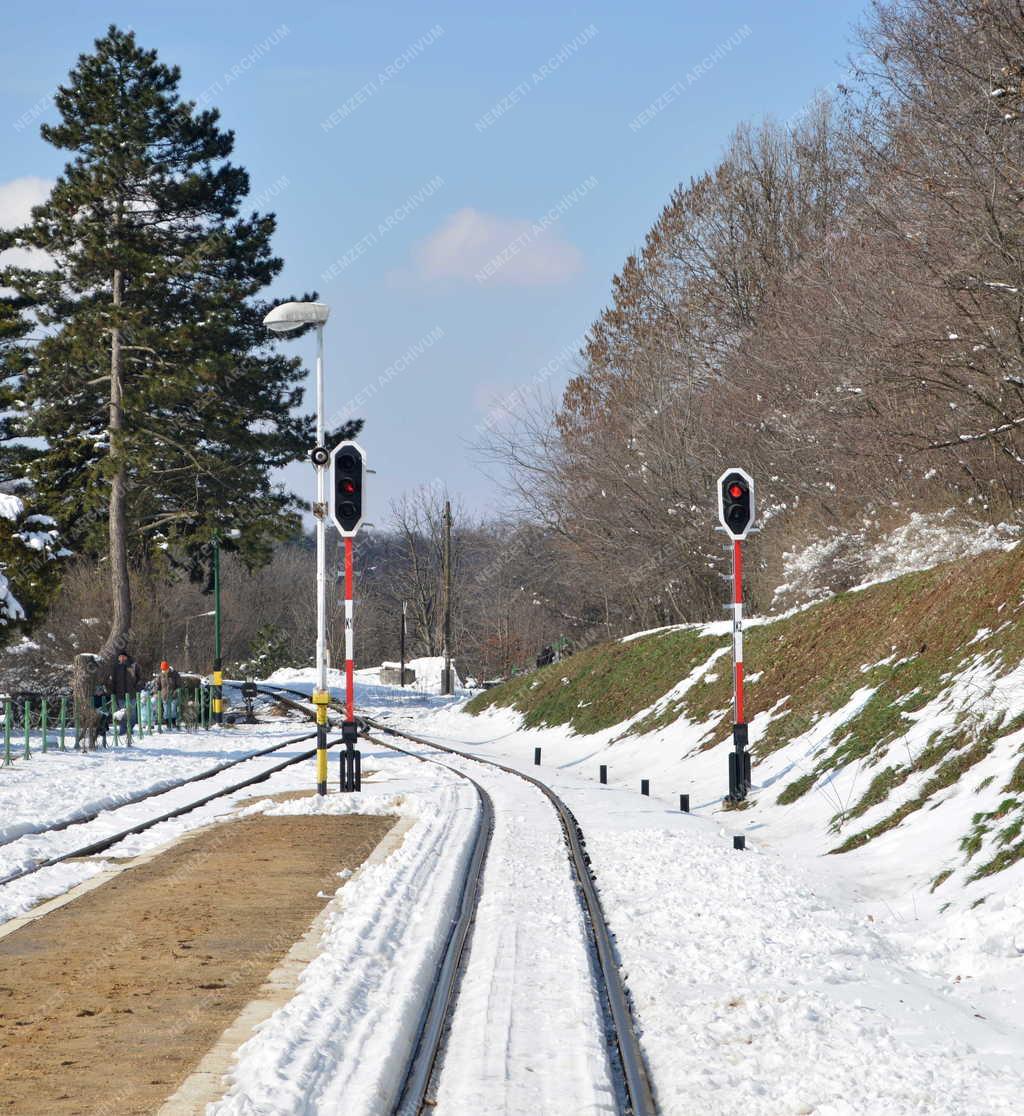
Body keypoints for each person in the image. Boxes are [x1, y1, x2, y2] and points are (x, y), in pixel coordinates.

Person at [110, 650, 143, 742]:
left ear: (126, 657)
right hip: (120, 694)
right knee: (122, 714)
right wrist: (113, 692)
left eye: (123, 656)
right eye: (119, 657)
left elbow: (140, 679)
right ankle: (123, 731)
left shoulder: (133, 666)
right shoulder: (116, 667)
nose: (121, 658)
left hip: (132, 694)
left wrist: (137, 688)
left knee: (132, 714)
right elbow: (113, 682)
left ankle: (130, 730)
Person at [158, 660, 182, 729]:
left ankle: (173, 723)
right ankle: (167, 724)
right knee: (166, 711)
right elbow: (158, 685)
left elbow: (179, 685)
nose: (164, 671)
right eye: (163, 670)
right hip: (165, 695)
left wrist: (176, 692)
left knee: (173, 710)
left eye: (165, 669)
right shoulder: (161, 675)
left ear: (168, 668)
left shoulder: (175, 674)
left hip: (173, 695)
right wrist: (156, 692)